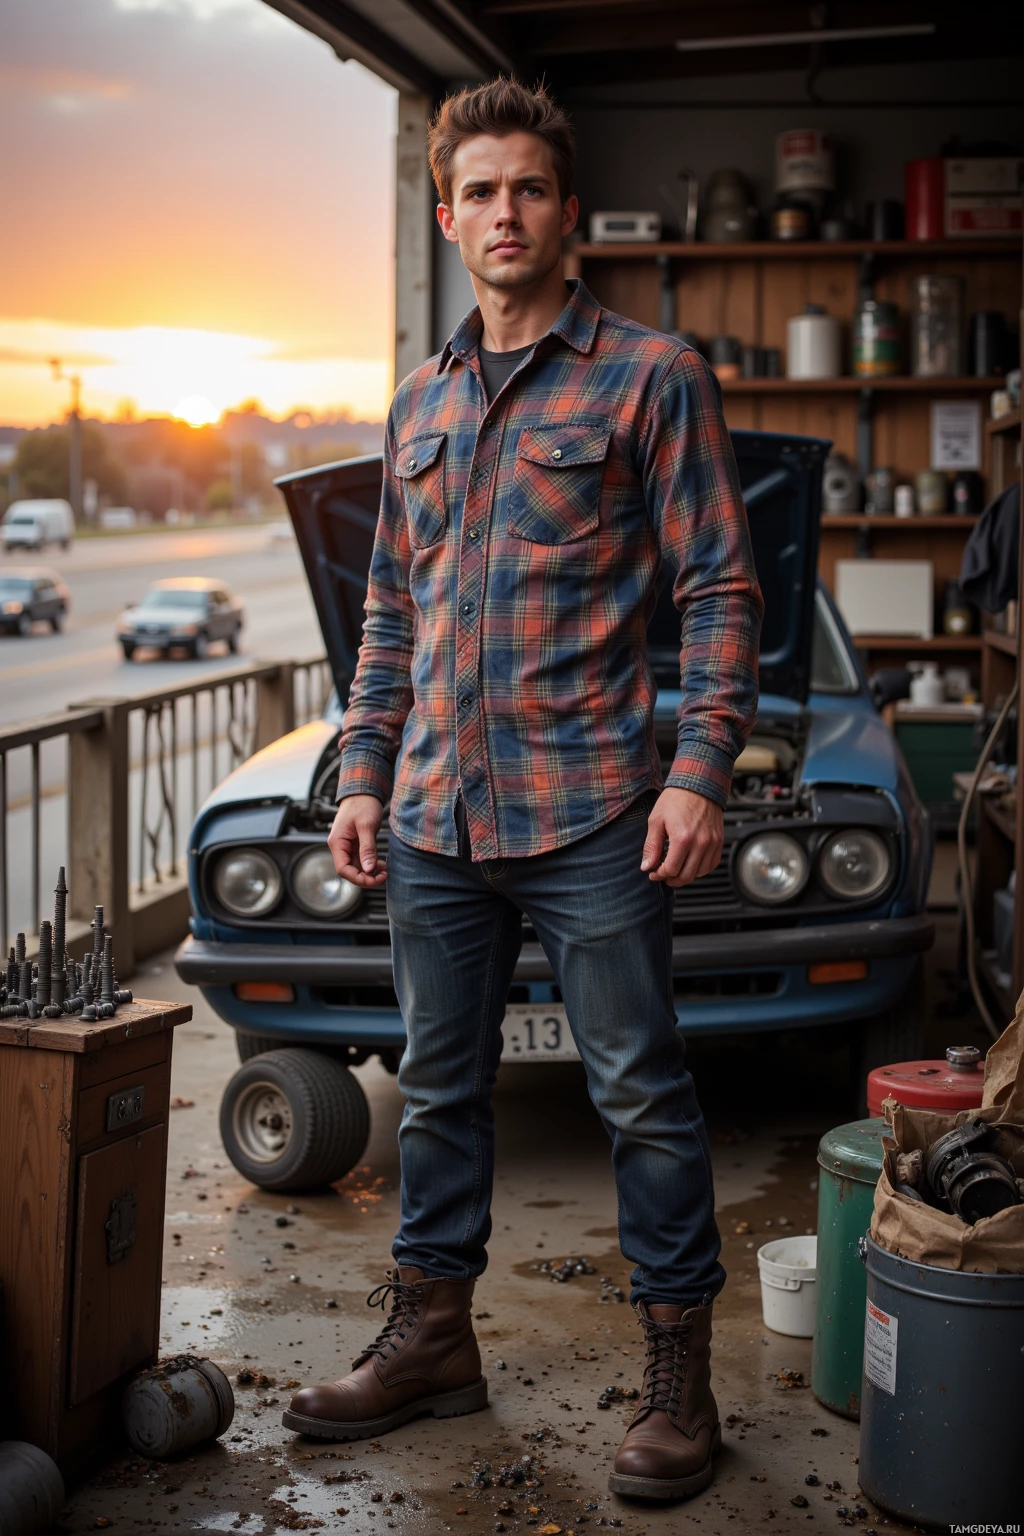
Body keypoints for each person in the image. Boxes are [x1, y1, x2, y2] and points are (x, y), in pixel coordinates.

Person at [284, 76, 763, 1503]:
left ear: (569, 221)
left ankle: (682, 1381)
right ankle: (433, 1340)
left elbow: (724, 589)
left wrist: (700, 768)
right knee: (436, 1092)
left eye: (531, 190)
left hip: (598, 808)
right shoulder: (419, 401)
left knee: (644, 1100)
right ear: (448, 216)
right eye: (480, 191)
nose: (505, 212)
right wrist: (362, 770)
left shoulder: (650, 377)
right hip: (434, 814)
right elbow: (391, 613)